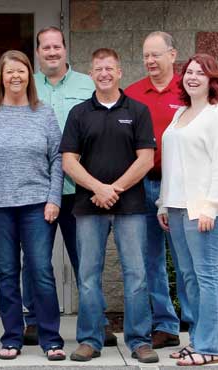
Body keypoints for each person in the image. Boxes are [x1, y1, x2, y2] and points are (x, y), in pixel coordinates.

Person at [60, 48, 159, 363]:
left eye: (109, 68)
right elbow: (68, 161)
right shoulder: (79, 113)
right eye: (98, 69)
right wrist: (97, 188)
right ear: (91, 74)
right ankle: (90, 339)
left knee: (137, 274)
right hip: (89, 206)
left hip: (130, 206)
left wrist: (114, 188)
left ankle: (140, 341)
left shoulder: (138, 110)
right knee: (88, 274)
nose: (104, 73)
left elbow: (147, 159)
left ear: (119, 73)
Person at [22, 25, 118, 348]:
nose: (52, 52)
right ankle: (34, 321)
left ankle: (97, 321)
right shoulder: (27, 86)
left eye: (56, 47)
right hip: (38, 189)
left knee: (86, 260)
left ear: (66, 49)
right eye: (45, 47)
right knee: (36, 260)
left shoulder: (87, 84)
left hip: (80, 188)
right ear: (38, 52)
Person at [0, 50, 65, 361]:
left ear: (29, 76)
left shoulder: (44, 113)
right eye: (9, 72)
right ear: (0, 77)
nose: (15, 77)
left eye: (21, 71)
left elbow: (57, 159)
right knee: (6, 272)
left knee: (40, 271)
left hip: (37, 205)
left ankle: (51, 339)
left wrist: (54, 199)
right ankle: (12, 337)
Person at [157, 53, 218, 366]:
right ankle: (197, 341)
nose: (192, 77)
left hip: (204, 209)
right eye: (188, 72)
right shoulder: (182, 113)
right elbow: (174, 165)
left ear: (212, 80)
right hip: (177, 207)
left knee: (206, 276)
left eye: (200, 73)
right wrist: (163, 202)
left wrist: (212, 206)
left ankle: (210, 347)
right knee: (188, 277)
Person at [125, 31, 190, 349]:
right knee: (151, 259)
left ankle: (198, 325)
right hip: (143, 185)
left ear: (172, 54)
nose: (150, 61)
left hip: (181, 187)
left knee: (185, 259)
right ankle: (165, 325)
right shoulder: (133, 93)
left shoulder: (189, 88)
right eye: (146, 55)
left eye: (156, 54)